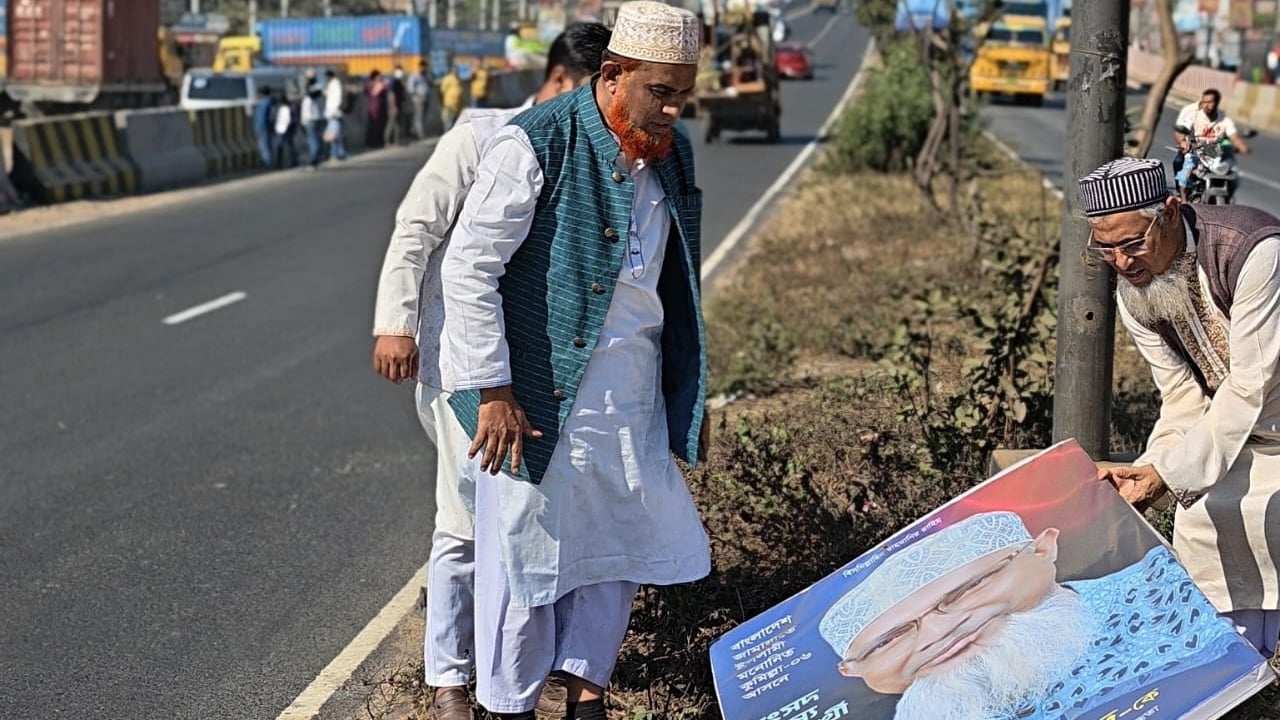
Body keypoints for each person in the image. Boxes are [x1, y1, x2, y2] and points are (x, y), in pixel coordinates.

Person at [439, 3, 709, 718]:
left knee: (616, 553)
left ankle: (588, 699)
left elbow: (678, 288)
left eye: (684, 93)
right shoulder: (534, 145)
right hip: (534, 401)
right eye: (662, 92)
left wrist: (690, 396)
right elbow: (468, 270)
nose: (675, 109)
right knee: (525, 561)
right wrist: (492, 388)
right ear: (614, 75)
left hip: (631, 395)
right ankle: (509, 704)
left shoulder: (670, 153)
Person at [370, 23, 614, 720]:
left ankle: (525, 676)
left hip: (543, 376)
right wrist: (398, 322)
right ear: (568, 82)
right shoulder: (479, 137)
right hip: (464, 370)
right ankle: (450, 684)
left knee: (546, 525)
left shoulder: (584, 152)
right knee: (466, 520)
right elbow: (418, 228)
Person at [1081, 157, 1280, 664]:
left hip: (1255, 417)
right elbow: (1181, 397)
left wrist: (1167, 474)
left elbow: (1249, 384)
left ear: (1171, 212)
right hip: (1244, 437)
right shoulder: (1136, 291)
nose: (1123, 263)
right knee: (1203, 523)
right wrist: (1151, 469)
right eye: (1105, 249)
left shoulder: (1253, 251)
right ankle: (1237, 676)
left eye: (1132, 243)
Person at [821, 511, 1243, 720]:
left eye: (969, 588)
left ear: (1043, 550)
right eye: (887, 640)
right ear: (851, 669)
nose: (937, 631)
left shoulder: (1163, 593)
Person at [1172, 88, 1251, 198]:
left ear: (1217, 103)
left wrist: (1242, 147)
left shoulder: (1224, 120)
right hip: (1197, 153)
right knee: (1185, 174)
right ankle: (1184, 200)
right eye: (1204, 102)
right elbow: (1180, 131)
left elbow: (1234, 137)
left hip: (1217, 155)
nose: (1206, 105)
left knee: (1235, 176)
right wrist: (1183, 142)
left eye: (1210, 102)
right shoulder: (1194, 116)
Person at [323, 69, 348, 162]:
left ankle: (336, 153)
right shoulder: (332, 84)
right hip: (332, 112)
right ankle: (340, 153)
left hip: (334, 112)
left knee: (334, 135)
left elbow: (337, 98)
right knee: (336, 134)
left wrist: (334, 110)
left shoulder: (335, 84)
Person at [301, 83, 326, 168]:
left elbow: (305, 113)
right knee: (317, 140)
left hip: (310, 121)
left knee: (312, 141)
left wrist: (303, 122)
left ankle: (313, 160)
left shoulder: (308, 99)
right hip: (318, 120)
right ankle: (317, 158)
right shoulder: (320, 98)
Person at [272, 90, 298, 168]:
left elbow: (276, 119)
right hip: (285, 128)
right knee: (289, 146)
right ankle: (291, 162)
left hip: (282, 129)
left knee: (281, 146)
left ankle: (279, 164)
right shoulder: (290, 107)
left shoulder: (282, 108)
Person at [252, 86, 275, 169]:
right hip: (267, 127)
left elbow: (262, 117)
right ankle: (267, 162)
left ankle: (267, 163)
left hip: (263, 127)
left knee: (264, 146)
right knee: (266, 146)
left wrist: (259, 127)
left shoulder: (264, 103)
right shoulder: (270, 102)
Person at [410, 60, 432, 139]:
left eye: (425, 67)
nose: (424, 69)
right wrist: (418, 96)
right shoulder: (415, 76)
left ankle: (414, 132)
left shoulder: (426, 76)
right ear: (419, 67)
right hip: (418, 100)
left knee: (423, 117)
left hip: (426, 99)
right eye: (422, 67)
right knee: (418, 117)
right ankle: (420, 135)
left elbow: (430, 84)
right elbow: (411, 89)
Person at [438, 65, 465, 131]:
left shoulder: (458, 79)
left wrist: (462, 105)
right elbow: (441, 91)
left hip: (457, 105)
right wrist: (442, 102)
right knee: (448, 122)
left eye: (456, 70)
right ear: (451, 71)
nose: (455, 71)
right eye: (454, 70)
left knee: (454, 122)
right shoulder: (447, 79)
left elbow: (460, 93)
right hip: (448, 104)